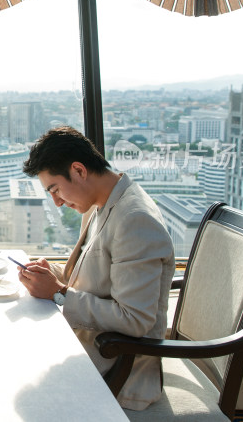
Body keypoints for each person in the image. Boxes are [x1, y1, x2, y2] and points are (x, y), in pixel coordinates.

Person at [18, 126, 175, 411]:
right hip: (86, 347)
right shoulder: (101, 201)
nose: (56, 201)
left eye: (54, 189)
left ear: (78, 170)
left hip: (118, 372)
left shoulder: (135, 220)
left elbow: (135, 320)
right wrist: (50, 274)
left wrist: (59, 295)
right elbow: (92, 275)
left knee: (18, 386)